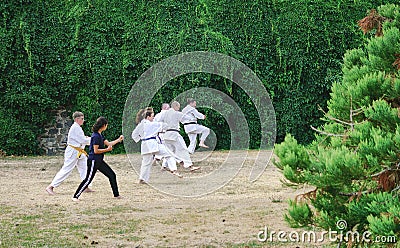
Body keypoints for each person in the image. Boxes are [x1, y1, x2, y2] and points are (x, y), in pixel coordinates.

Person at [72, 117, 124, 201]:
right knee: (88, 179)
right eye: (106, 125)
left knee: (111, 175)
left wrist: (119, 140)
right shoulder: (95, 136)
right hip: (93, 160)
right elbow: (96, 151)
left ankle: (116, 195)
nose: (107, 126)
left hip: (99, 160)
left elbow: (109, 144)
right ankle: (75, 196)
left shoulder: (100, 135)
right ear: (103, 125)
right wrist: (106, 150)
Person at [46, 111, 93, 195]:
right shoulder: (75, 127)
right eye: (82, 119)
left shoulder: (78, 127)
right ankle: (51, 186)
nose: (83, 120)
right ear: (77, 119)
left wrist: (89, 139)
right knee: (67, 169)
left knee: (84, 168)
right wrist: (93, 139)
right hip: (73, 152)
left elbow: (82, 139)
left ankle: (85, 186)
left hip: (79, 152)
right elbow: (83, 140)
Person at [132, 107, 182, 184]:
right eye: (152, 116)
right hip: (152, 145)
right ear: (148, 117)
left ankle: (142, 178)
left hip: (144, 145)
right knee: (169, 153)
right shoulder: (152, 124)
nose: (154, 117)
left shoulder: (140, 125)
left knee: (146, 163)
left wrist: (141, 138)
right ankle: (173, 169)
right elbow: (164, 125)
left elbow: (134, 135)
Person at [160, 101, 200, 172]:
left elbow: (159, 121)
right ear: (175, 106)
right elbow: (186, 117)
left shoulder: (164, 114)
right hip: (174, 134)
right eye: (178, 107)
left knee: (170, 151)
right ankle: (190, 166)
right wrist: (193, 119)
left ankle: (164, 166)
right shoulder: (176, 113)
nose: (179, 109)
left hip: (166, 135)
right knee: (183, 149)